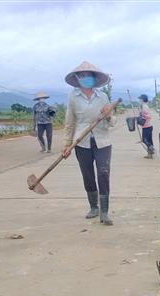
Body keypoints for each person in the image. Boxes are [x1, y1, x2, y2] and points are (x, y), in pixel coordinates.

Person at [61, 61, 116, 225]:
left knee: (103, 173)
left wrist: (107, 116)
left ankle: (104, 212)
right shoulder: (73, 96)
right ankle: (94, 206)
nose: (86, 78)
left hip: (102, 140)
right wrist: (66, 145)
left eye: (89, 76)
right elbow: (69, 122)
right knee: (88, 174)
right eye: (82, 76)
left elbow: (112, 121)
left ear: (94, 78)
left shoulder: (103, 97)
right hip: (81, 141)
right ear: (77, 79)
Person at [138, 94, 154, 159]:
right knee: (149, 140)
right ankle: (150, 154)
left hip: (147, 127)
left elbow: (149, 116)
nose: (139, 100)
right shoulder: (144, 106)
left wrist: (142, 113)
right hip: (147, 126)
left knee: (145, 140)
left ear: (142, 99)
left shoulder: (144, 106)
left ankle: (151, 150)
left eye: (140, 99)